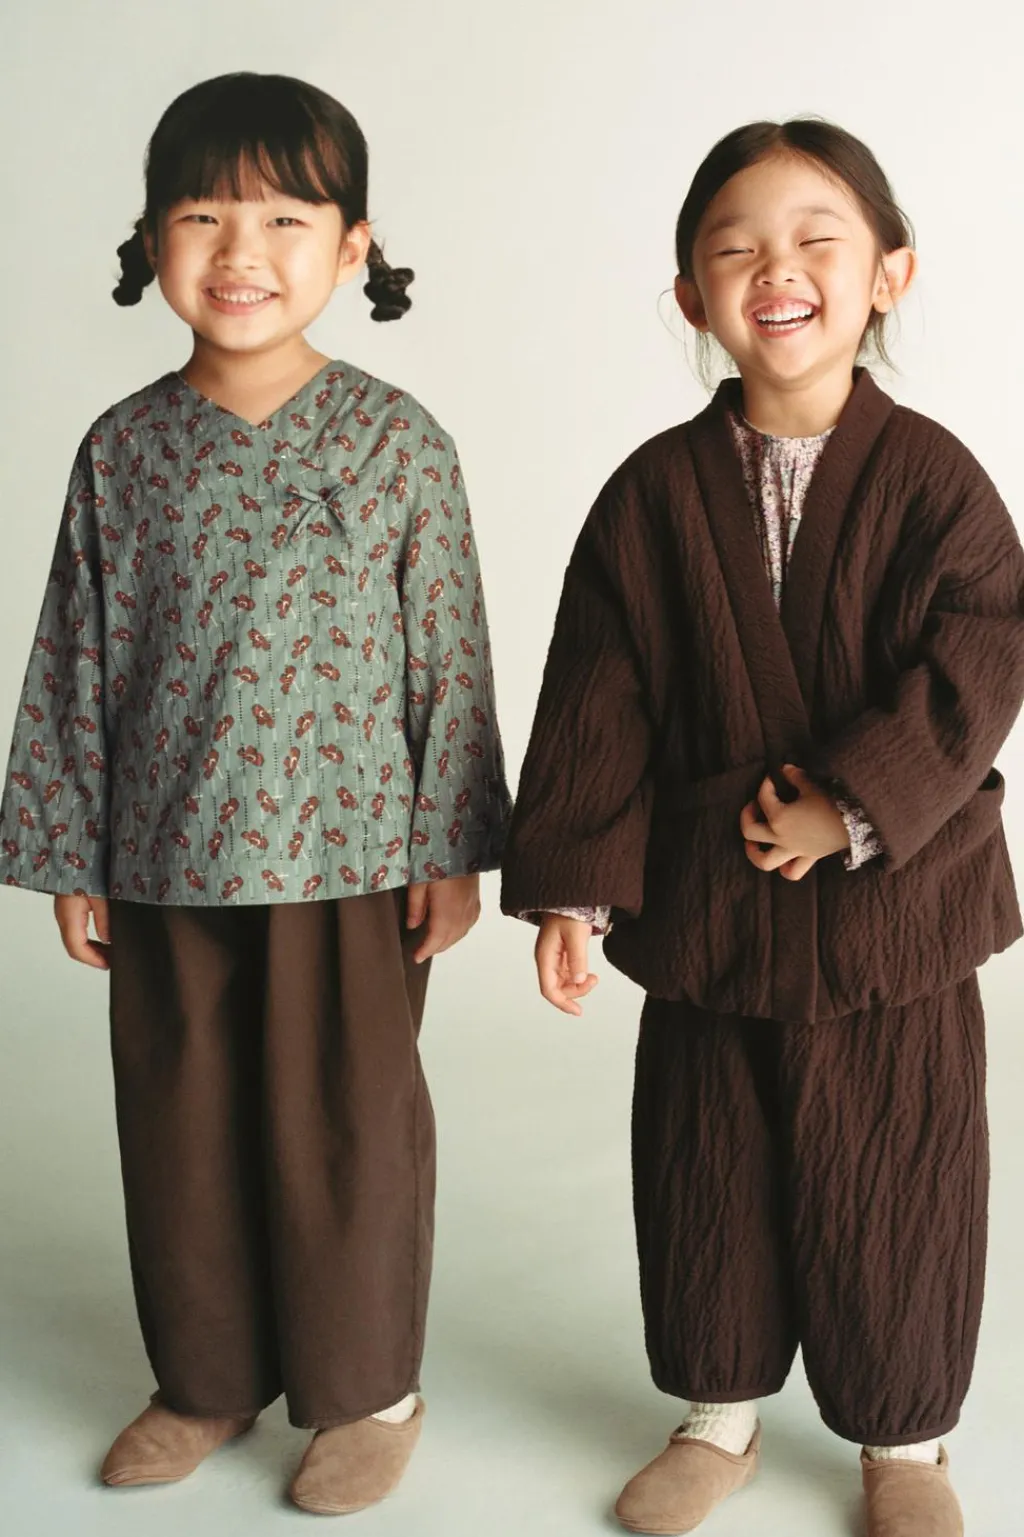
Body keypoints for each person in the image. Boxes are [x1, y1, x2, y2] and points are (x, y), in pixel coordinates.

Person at [500, 118, 1024, 1537]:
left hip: (893, 915)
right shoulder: (650, 496)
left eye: (815, 242)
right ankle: (716, 1415)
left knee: (899, 1170)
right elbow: (599, 691)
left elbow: (983, 657)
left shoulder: (936, 481)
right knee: (707, 1167)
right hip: (712, 909)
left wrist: (850, 802)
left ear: (889, 274)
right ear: (692, 296)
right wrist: (577, 892)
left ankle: (905, 1441)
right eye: (734, 250)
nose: (775, 270)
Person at [0, 70, 510, 1516]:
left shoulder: (399, 442)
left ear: (353, 247)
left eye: (286, 217)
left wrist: (453, 849)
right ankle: (206, 1376)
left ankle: (367, 1390)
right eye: (202, 215)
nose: (241, 249)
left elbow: (448, 656)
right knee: (181, 1129)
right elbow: (78, 654)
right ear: (152, 239)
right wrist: (70, 850)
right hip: (166, 855)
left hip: (353, 862)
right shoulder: (122, 450)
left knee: (347, 1135)